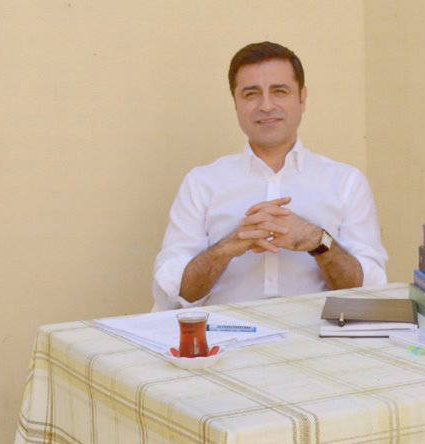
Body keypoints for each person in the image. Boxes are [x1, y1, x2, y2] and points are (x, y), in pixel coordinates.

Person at [152, 41, 387, 311]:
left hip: (318, 331)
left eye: (279, 91)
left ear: (302, 98)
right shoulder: (201, 183)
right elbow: (172, 294)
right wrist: (229, 246)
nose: (266, 105)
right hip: (222, 331)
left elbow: (370, 292)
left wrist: (318, 241)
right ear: (236, 103)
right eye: (251, 94)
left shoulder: (346, 183)